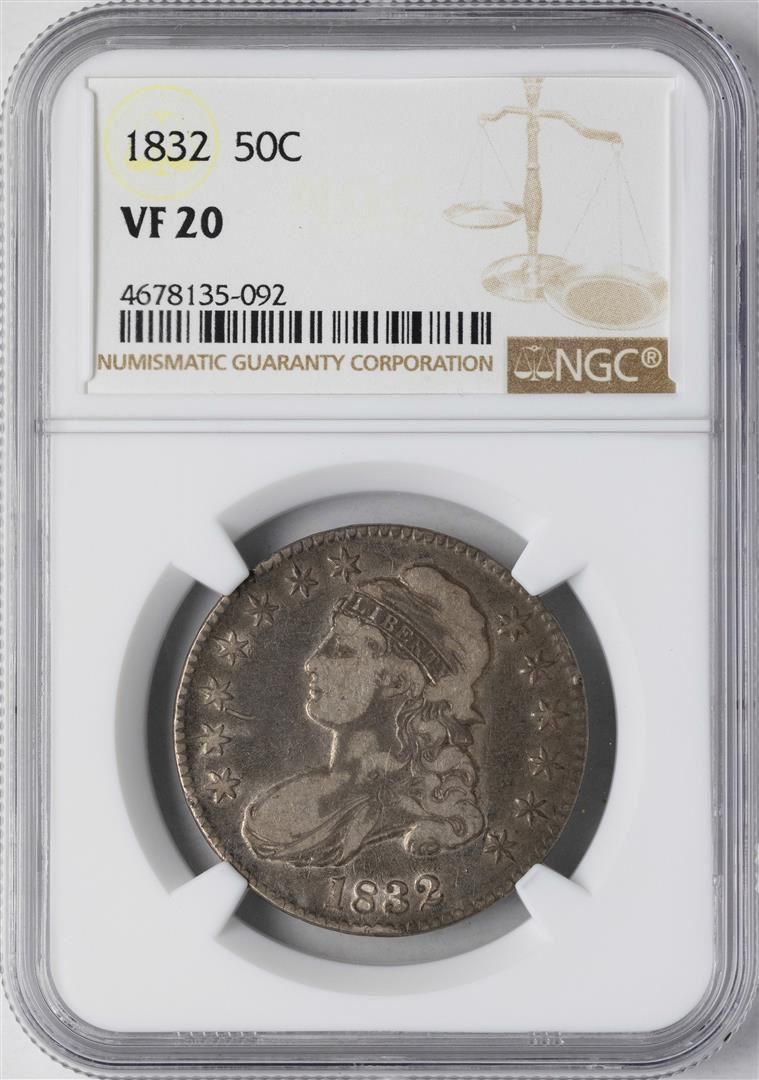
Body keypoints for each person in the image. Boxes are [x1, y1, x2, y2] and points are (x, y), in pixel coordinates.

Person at [241, 564, 491, 866]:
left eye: (341, 651)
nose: (312, 663)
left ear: (397, 683)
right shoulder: (289, 802)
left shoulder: (401, 814)